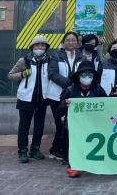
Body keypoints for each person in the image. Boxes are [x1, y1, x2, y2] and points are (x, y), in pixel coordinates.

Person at [57, 60, 107, 177]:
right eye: (84, 74)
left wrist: (112, 97)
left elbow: (106, 105)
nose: (87, 77)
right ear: (78, 76)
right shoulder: (70, 90)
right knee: (73, 143)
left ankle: (93, 163)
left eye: (90, 74)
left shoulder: (98, 89)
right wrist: (64, 104)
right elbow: (58, 112)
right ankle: (73, 165)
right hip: (75, 126)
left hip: (93, 125)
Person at [8, 35, 51, 163]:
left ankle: (35, 150)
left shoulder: (49, 61)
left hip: (42, 98)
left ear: (46, 48)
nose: (40, 48)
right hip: (26, 98)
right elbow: (10, 75)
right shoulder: (24, 60)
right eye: (37, 45)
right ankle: (22, 151)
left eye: (43, 45)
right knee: (24, 127)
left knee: (39, 127)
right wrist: (22, 74)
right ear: (32, 47)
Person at [46, 31, 84, 160]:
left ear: (77, 43)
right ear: (63, 42)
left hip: (74, 96)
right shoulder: (56, 56)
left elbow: (84, 73)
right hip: (56, 96)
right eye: (68, 40)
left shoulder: (82, 57)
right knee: (60, 123)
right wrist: (69, 83)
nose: (70, 42)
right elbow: (52, 73)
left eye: (73, 40)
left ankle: (62, 149)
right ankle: (56, 150)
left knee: (71, 124)